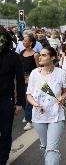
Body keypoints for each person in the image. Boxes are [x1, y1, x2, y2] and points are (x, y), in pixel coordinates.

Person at [26, 46, 66, 165]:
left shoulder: (61, 73)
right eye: (40, 54)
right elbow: (29, 95)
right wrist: (36, 105)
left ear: (53, 57)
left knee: (52, 150)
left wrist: (62, 97)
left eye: (44, 55)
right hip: (39, 117)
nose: (40, 56)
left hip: (56, 116)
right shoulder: (34, 73)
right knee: (46, 146)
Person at [0, 25, 25, 165]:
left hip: (6, 99)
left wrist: (19, 102)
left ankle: (3, 158)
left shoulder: (14, 57)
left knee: (5, 132)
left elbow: (20, 81)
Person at [19, 32, 40, 131]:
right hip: (21, 79)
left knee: (28, 101)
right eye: (23, 40)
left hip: (31, 80)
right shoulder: (21, 53)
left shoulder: (35, 55)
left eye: (25, 40)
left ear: (30, 43)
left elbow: (39, 69)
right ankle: (28, 116)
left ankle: (29, 121)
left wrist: (30, 78)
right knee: (22, 99)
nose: (23, 41)